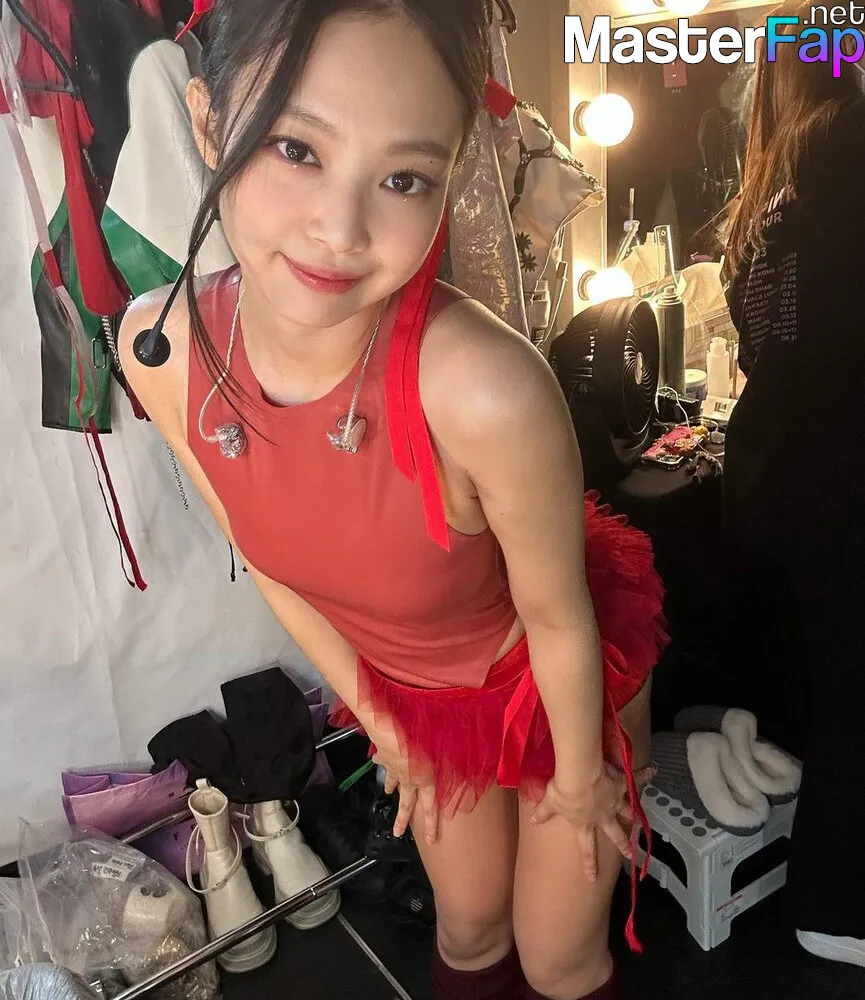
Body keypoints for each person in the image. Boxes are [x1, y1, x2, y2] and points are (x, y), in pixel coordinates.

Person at [120, 2, 667, 997]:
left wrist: (581, 781)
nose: (340, 230)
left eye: (403, 178)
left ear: (452, 174)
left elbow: (558, 617)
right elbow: (275, 570)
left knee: (557, 957)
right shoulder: (159, 351)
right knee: (469, 930)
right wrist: (384, 723)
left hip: (547, 674)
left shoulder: (484, 388)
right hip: (415, 695)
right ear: (206, 119)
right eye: (295, 148)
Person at [723, 1, 865, 969]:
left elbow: (762, 341)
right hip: (835, 469)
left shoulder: (769, 190)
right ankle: (836, 908)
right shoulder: (849, 143)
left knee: (828, 674)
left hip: (775, 472)